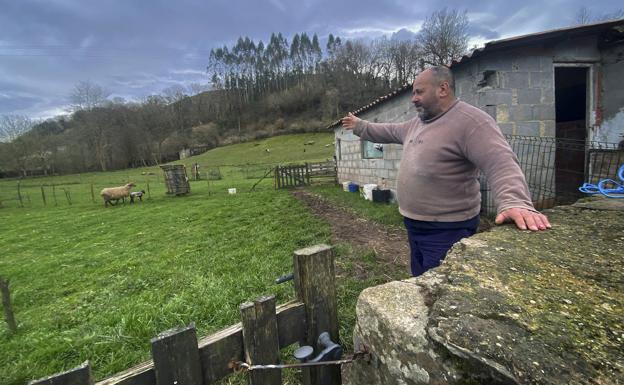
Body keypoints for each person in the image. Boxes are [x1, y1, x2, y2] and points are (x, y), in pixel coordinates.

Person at [341, 66, 550, 277]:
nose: (413, 99)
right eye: (413, 92)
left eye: (419, 92)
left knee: (441, 288)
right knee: (420, 280)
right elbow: (387, 131)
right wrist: (360, 126)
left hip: (448, 230)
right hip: (414, 225)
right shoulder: (416, 124)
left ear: (443, 89)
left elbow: (500, 162)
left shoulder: (472, 122)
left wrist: (515, 201)